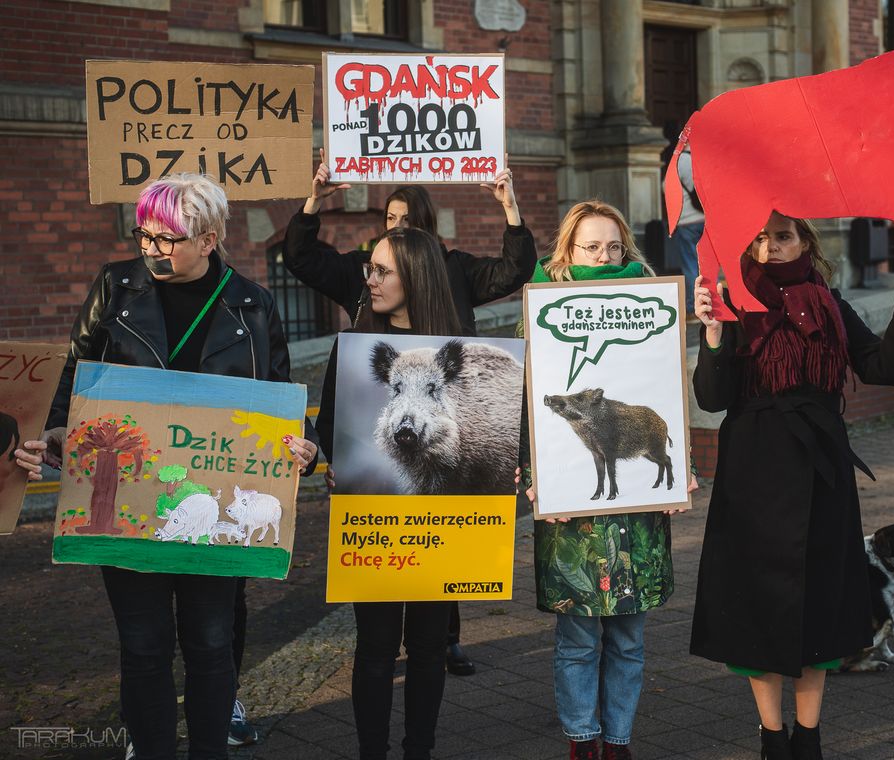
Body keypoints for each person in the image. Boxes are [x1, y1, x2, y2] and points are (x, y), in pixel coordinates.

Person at [13, 173, 318, 760]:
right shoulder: (115, 286)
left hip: (217, 500)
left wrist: (300, 446)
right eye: (144, 234)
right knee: (144, 644)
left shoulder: (252, 303)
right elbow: (74, 373)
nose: (151, 248)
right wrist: (51, 429)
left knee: (209, 644)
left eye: (167, 238)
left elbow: (278, 394)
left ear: (209, 238)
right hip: (125, 497)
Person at [689, 211, 894, 760]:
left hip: (821, 472)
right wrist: (712, 334)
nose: (770, 247)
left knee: (819, 602)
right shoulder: (731, 302)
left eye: (782, 236)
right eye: (759, 238)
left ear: (804, 241)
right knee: (760, 603)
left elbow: (885, 367)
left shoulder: (829, 302)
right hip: (753, 472)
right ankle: (771, 736)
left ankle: (810, 736)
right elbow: (711, 396)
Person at [284, 151, 537, 675]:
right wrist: (312, 205)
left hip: (445, 405)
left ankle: (444, 635)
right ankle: (414, 641)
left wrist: (510, 208)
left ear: (426, 234)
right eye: (389, 220)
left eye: (407, 221)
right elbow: (303, 260)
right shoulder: (368, 275)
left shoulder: (455, 269)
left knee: (447, 521)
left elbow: (515, 269)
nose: (396, 229)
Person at [518, 200, 696, 760]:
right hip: (569, 507)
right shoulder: (539, 302)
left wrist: (680, 470)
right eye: (591, 247)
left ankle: (617, 740)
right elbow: (522, 405)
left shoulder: (650, 297)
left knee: (628, 637)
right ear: (567, 251)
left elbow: (668, 391)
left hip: (638, 510)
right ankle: (581, 739)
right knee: (578, 637)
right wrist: (534, 476)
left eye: (614, 247)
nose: (604, 256)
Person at [315, 225, 463, 760]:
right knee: (376, 647)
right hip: (375, 526)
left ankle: (418, 749)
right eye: (369, 270)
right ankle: (372, 752)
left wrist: (506, 476)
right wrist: (328, 461)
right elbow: (329, 424)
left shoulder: (460, 349)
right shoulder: (353, 346)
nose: (369, 280)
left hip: (442, 528)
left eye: (381, 271)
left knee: (427, 647)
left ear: (415, 276)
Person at [668, 145, 704, 321]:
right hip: (704, 219)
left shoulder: (682, 161)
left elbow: (668, 188)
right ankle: (708, 303)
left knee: (690, 264)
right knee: (704, 264)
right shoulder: (701, 160)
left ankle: (692, 307)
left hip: (688, 220)